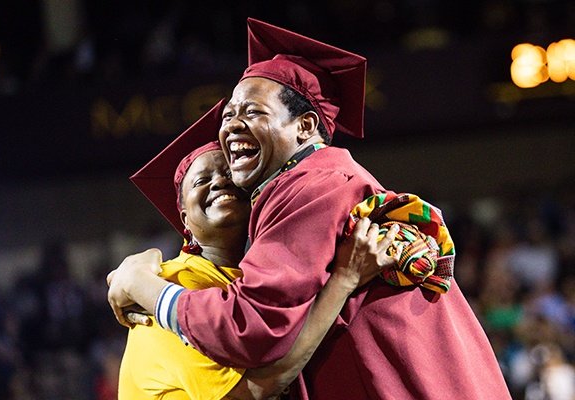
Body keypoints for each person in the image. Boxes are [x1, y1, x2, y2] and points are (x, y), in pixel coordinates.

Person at [109, 18, 511, 399]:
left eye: (252, 111)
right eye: (228, 114)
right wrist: (343, 281)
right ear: (183, 220)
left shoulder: (311, 186)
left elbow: (250, 329)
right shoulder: (189, 276)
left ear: (304, 126)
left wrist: (140, 285)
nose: (231, 126)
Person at [112, 101, 402, 400]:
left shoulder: (271, 280)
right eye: (201, 181)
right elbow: (250, 393)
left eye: (230, 174)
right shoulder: (171, 284)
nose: (220, 182)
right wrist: (344, 279)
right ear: (184, 219)